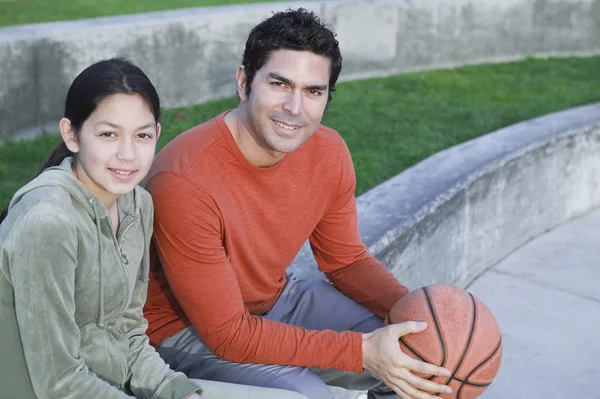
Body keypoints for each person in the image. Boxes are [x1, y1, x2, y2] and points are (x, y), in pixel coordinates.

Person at [143, 9, 454, 399]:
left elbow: (346, 261)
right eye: (279, 83)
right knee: (307, 395)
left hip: (275, 300)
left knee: (421, 355)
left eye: (313, 91)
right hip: (184, 329)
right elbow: (228, 334)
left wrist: (423, 314)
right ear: (244, 82)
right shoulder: (184, 180)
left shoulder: (328, 151)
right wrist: (360, 352)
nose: (295, 107)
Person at [0, 58, 202, 399]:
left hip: (109, 384)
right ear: (72, 135)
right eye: (109, 134)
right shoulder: (48, 222)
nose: (127, 154)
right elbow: (59, 382)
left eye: (142, 135)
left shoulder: (138, 203)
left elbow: (129, 330)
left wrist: (176, 390)